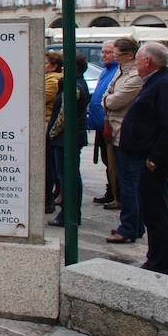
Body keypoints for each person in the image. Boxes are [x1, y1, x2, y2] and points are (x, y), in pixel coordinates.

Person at [120, 42, 168, 274]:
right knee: (151, 211)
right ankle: (154, 258)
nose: (135, 64)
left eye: (137, 59)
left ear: (147, 61)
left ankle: (162, 264)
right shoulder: (157, 82)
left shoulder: (165, 85)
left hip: (153, 161)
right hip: (144, 156)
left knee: (157, 213)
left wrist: (156, 158)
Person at [104, 37, 145, 243]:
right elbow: (107, 95)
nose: (113, 58)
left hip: (127, 135)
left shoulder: (135, 76)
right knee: (125, 181)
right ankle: (133, 225)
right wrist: (108, 98)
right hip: (116, 132)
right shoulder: (120, 72)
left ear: (129, 55)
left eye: (117, 55)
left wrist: (108, 99)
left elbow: (114, 99)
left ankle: (130, 227)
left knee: (129, 184)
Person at [47, 51, 90, 227]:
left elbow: (63, 116)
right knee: (67, 176)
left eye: (65, 66)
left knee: (67, 177)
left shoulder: (74, 86)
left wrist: (52, 133)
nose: (63, 69)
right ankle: (71, 212)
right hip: (68, 138)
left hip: (66, 138)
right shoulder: (74, 84)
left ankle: (69, 214)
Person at [88, 42, 119, 205]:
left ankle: (116, 193)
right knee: (106, 161)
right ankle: (111, 190)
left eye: (108, 52)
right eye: (102, 52)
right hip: (101, 126)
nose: (103, 55)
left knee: (113, 162)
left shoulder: (117, 71)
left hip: (111, 126)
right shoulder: (105, 70)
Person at [44, 51, 63, 212]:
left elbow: (38, 96)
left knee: (48, 164)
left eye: (45, 63)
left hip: (46, 123)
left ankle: (48, 200)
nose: (42, 65)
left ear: (54, 66)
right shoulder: (47, 78)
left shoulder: (53, 80)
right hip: (45, 122)